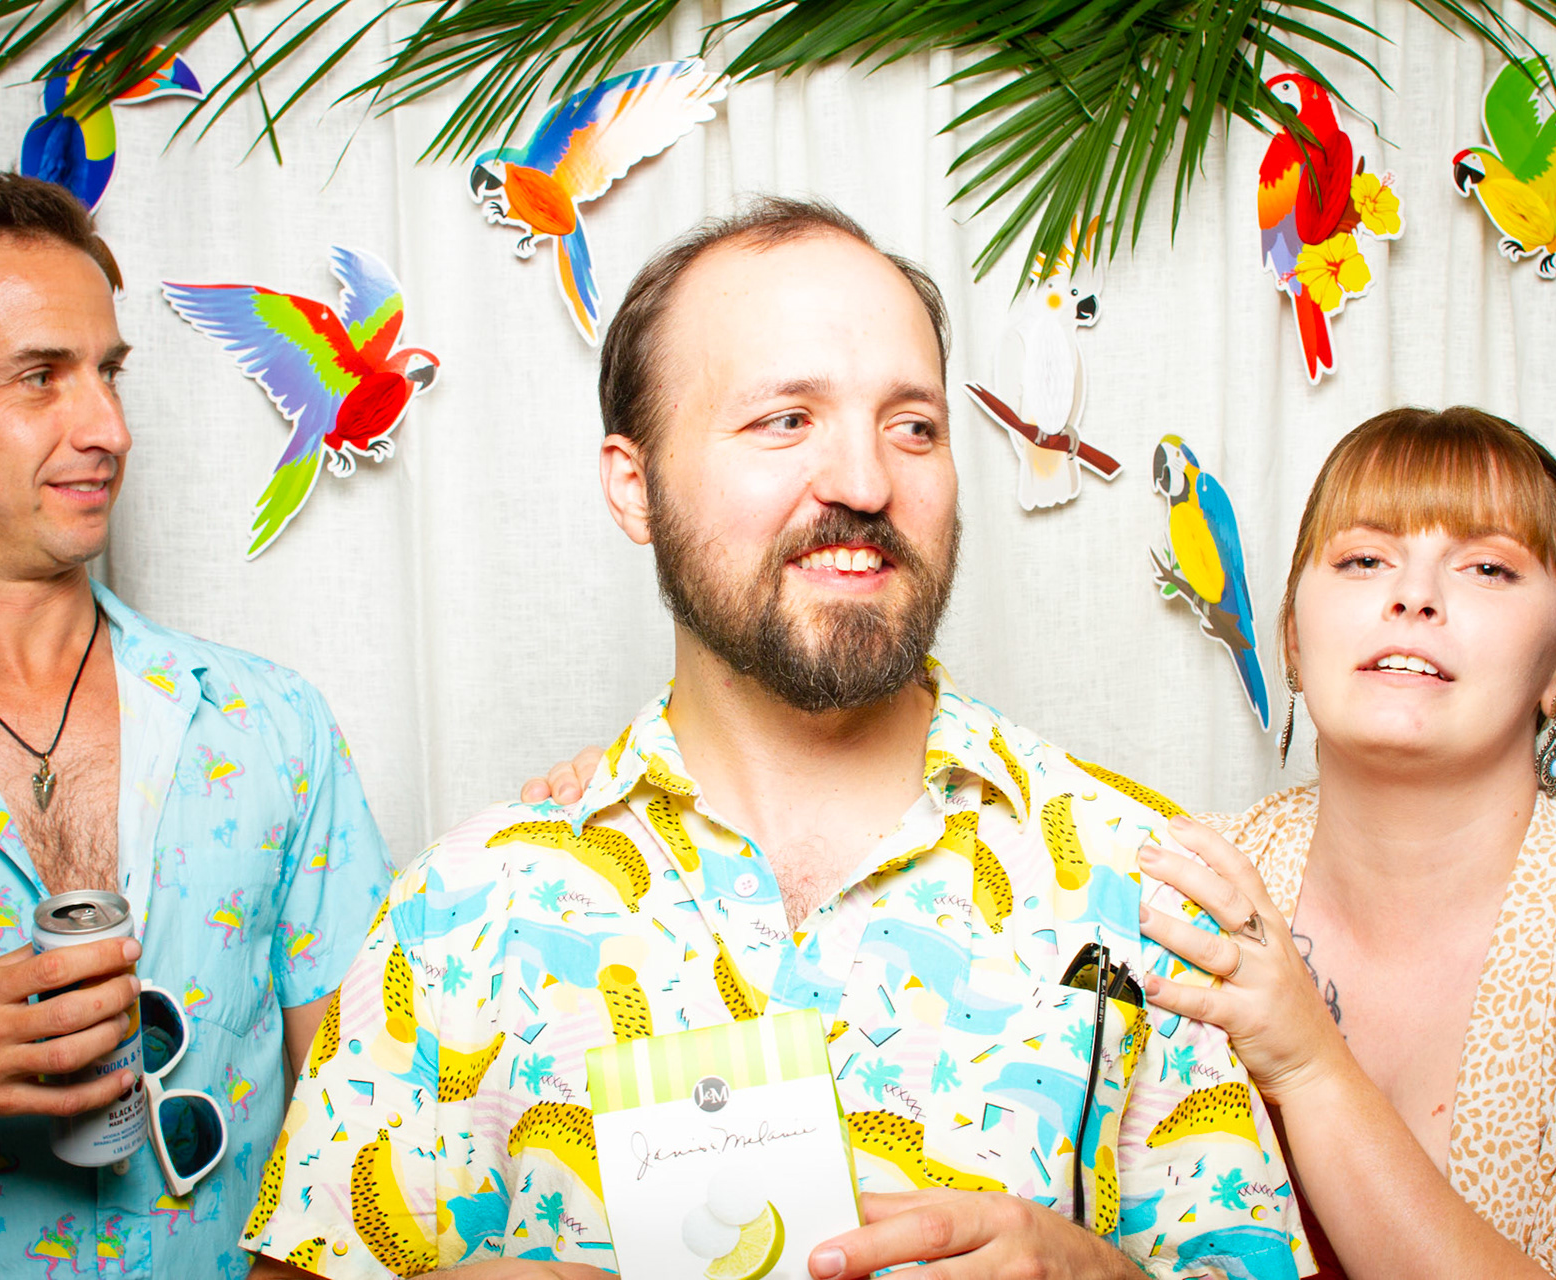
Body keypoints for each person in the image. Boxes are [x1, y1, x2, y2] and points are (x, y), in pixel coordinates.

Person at [242, 198, 1310, 1280]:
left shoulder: (1143, 885)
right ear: (635, 487)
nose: (865, 483)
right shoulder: (460, 912)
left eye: (913, 426)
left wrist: (1103, 1279)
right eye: (786, 420)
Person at [531, 406, 1556, 1275]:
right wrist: (666, 784)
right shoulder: (1162, 872)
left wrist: (1308, 1063)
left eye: (1490, 569)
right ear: (1289, 630)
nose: (1414, 595)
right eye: (1363, 557)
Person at [0, 165, 395, 1277]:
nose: (106, 426)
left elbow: (370, 1130)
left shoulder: (271, 726)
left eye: (107, 372)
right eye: (40, 377)